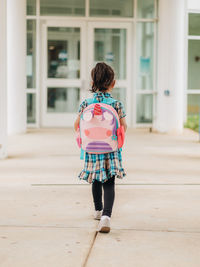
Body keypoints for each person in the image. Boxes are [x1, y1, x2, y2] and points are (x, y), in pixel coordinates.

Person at [74, 62, 127, 233]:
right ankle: (106, 216)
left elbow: (77, 125)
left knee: (95, 178)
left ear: (92, 84)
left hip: (91, 149)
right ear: (113, 83)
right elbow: (123, 127)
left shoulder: (85, 103)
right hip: (110, 149)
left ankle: (98, 210)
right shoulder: (116, 104)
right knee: (109, 181)